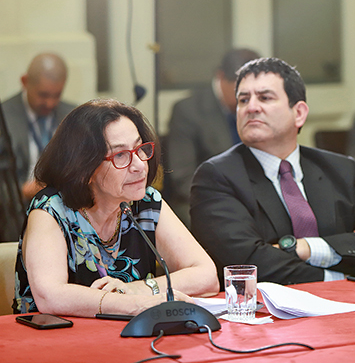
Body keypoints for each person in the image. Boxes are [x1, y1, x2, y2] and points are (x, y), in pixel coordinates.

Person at [190, 57, 355, 286]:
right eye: (243, 100)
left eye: (264, 97)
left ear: (299, 113)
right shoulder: (217, 177)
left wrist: (303, 247)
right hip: (266, 317)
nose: (251, 107)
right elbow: (248, 264)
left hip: (349, 311)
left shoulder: (340, 170)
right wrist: (344, 267)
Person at [13, 99, 219, 316]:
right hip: (52, 342)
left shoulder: (145, 202)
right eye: (120, 155)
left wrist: (137, 289)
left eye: (140, 148)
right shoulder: (50, 209)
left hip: (131, 338)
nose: (140, 165)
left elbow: (206, 276)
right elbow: (50, 297)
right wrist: (134, 304)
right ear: (84, 167)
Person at [165, 48, 260, 227]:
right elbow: (183, 177)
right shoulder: (188, 110)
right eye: (242, 92)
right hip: (205, 199)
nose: (250, 100)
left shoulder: (257, 107)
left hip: (254, 195)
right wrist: (232, 202)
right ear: (221, 76)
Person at [2, 53, 76, 202]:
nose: (50, 103)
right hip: (16, 209)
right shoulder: (3, 118)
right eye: (43, 95)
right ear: (24, 82)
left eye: (57, 95)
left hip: (65, 204)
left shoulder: (73, 116)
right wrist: (22, 190)